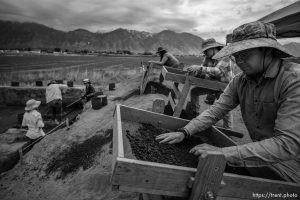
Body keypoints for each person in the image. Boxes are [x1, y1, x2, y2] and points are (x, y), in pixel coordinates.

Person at [156, 21, 300, 183]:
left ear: (267, 51)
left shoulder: (293, 81)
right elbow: (215, 111)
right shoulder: (240, 81)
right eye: (236, 56)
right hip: (261, 156)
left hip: (293, 166)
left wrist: (225, 153)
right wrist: (184, 131)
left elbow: (288, 144)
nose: (239, 61)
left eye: (245, 54)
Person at [186, 38, 234, 128]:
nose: (205, 53)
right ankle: (195, 113)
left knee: (224, 108)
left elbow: (218, 71)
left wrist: (199, 69)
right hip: (213, 84)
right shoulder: (207, 58)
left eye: (206, 50)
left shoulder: (225, 57)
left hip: (224, 87)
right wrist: (194, 72)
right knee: (194, 92)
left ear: (213, 48)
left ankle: (229, 130)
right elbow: (201, 69)